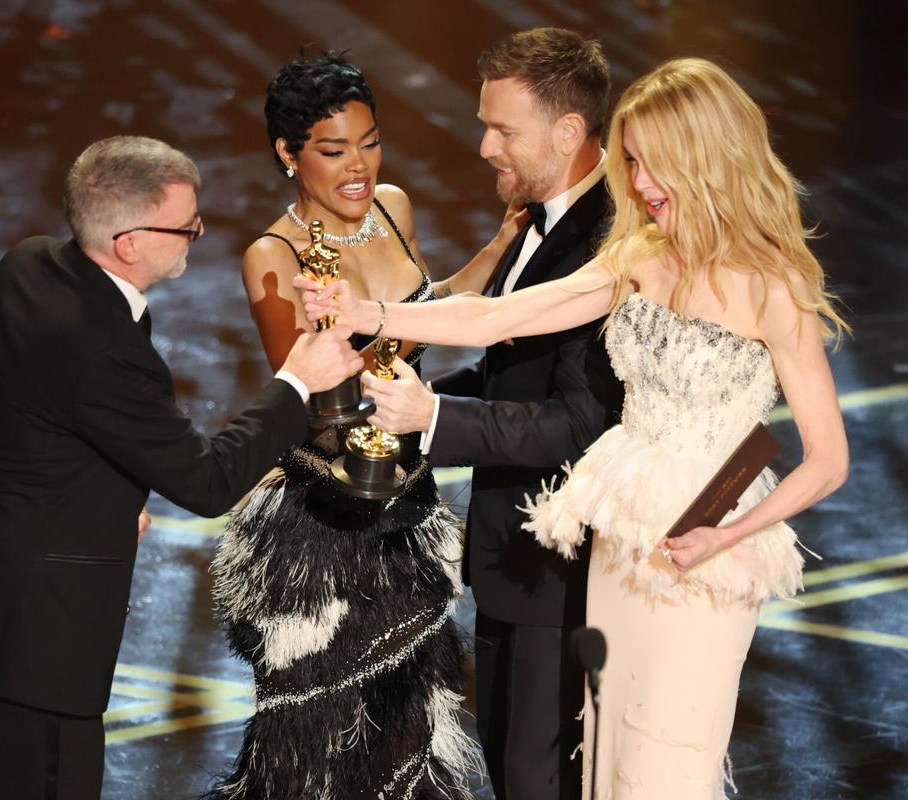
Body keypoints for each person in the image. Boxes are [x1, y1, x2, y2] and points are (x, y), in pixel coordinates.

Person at [300, 57, 851, 800]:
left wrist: (725, 534)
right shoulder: (639, 256)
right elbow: (496, 319)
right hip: (622, 533)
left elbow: (826, 459)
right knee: (606, 757)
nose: (641, 183)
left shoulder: (775, 288)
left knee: (667, 762)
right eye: (633, 161)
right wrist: (368, 314)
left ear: (707, 156)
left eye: (656, 163)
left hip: (707, 551)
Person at [0, 135, 360, 800]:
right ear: (128, 243)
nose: (199, 234)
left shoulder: (28, 264)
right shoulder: (103, 348)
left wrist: (110, 497)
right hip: (26, 649)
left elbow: (31, 418)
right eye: (186, 226)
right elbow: (207, 481)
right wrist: (296, 382)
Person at [203, 53, 516, 799]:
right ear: (288, 153)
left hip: (406, 504)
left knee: (409, 733)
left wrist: (503, 244)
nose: (359, 167)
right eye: (333, 150)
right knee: (323, 749)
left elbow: (429, 308)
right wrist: (353, 325)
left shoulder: (394, 208)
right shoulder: (273, 256)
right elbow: (318, 394)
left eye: (370, 143)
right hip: (328, 525)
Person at [358, 28, 622, 800]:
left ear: (567, 132)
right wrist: (397, 409)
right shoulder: (538, 218)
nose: (483, 147)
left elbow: (579, 424)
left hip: (566, 570)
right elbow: (514, 372)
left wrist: (434, 419)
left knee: (539, 779)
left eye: (504, 129)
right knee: (511, 770)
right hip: (516, 564)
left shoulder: (609, 241)